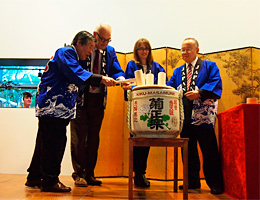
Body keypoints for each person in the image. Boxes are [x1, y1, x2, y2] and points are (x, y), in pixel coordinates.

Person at [25, 30, 116, 192]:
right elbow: (76, 74)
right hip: (53, 107)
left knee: (44, 142)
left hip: (53, 107)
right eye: (89, 47)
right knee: (55, 143)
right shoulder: (66, 52)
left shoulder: (71, 55)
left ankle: (34, 176)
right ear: (79, 43)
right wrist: (101, 78)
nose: (90, 52)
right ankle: (50, 180)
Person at [70, 23, 125, 187]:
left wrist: (121, 80)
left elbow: (116, 69)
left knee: (94, 138)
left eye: (109, 40)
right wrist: (99, 78)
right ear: (95, 34)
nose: (105, 44)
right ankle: (78, 173)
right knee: (78, 138)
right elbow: (77, 72)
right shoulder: (82, 47)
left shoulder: (109, 51)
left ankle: (90, 173)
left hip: (98, 99)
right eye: (103, 39)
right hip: (81, 99)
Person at [167, 38, 224, 194]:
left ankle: (215, 183)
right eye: (182, 49)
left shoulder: (210, 66)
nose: (185, 52)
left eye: (188, 49)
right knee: (188, 150)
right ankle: (192, 182)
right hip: (185, 115)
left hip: (203, 116)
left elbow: (215, 82)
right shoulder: (178, 71)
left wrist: (199, 93)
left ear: (197, 50)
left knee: (209, 150)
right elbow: (170, 86)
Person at [123, 38, 168, 187]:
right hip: (137, 107)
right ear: (136, 51)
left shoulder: (156, 66)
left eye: (146, 48)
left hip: (152, 107)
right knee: (136, 139)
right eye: (140, 48)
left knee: (146, 141)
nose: (143, 51)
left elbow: (164, 81)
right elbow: (128, 84)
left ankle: (141, 172)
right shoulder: (131, 65)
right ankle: (136, 173)